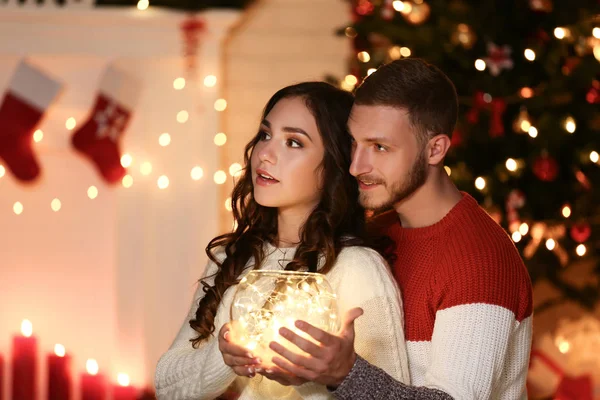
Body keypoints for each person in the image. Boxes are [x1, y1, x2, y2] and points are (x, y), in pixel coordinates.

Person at [263, 59, 534, 399]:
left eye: (380, 147)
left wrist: (345, 374)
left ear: (435, 149)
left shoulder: (480, 261)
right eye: (354, 142)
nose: (355, 166)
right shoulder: (377, 233)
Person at [153, 82, 410, 400]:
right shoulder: (230, 256)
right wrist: (225, 358)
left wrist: (339, 373)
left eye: (293, 142)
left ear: (335, 166)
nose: (266, 153)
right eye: (265, 135)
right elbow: (166, 386)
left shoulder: (357, 268)